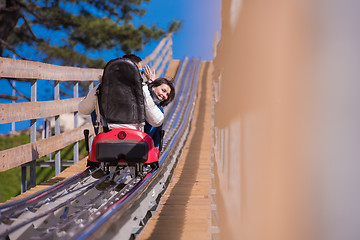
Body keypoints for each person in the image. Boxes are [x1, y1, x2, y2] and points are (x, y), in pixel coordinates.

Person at [78, 55, 163, 132]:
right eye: (140, 72)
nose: (141, 76)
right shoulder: (142, 89)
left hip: (107, 138)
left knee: (96, 104)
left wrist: (85, 99)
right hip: (134, 138)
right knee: (158, 110)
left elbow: (83, 110)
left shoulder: (101, 88)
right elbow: (156, 120)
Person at [144, 78, 175, 155]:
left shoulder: (143, 93)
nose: (165, 96)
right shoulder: (158, 110)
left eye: (167, 94)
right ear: (153, 87)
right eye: (163, 91)